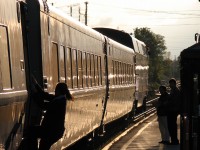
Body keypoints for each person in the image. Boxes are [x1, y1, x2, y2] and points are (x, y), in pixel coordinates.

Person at [30, 79, 73, 150]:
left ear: (58, 90)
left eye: (56, 89)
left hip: (51, 132)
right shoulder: (60, 99)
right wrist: (36, 85)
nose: (55, 91)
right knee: (43, 145)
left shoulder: (58, 102)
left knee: (31, 132)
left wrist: (34, 94)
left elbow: (43, 105)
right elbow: (45, 96)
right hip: (52, 131)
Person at [167, 78, 180, 145]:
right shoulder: (173, 90)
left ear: (174, 84)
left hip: (173, 110)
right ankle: (174, 140)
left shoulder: (175, 91)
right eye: (170, 83)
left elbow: (174, 101)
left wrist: (167, 103)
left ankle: (174, 140)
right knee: (171, 126)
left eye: (171, 83)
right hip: (172, 110)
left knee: (172, 126)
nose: (170, 85)